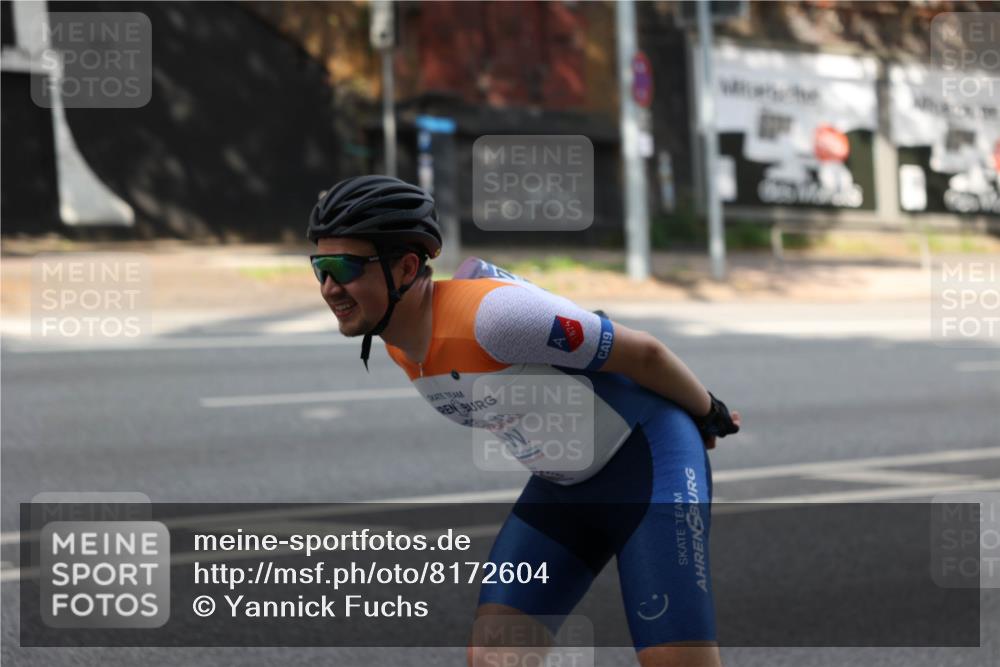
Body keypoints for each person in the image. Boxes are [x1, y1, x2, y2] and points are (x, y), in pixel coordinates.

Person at [307, 175, 741, 667]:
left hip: (648, 461)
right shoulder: (396, 339)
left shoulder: (495, 317)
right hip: (563, 487)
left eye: (343, 267)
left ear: (406, 267)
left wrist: (709, 413)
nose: (328, 287)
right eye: (319, 267)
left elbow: (644, 352)